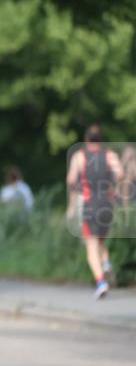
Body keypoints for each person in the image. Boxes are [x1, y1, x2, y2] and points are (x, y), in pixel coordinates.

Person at [66, 125, 123, 298]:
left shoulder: (80, 156)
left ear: (86, 140)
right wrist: (113, 188)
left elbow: (71, 180)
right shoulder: (110, 155)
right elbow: (120, 174)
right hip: (107, 204)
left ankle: (101, 282)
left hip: (90, 204)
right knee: (100, 242)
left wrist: (71, 205)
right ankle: (105, 265)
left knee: (91, 247)